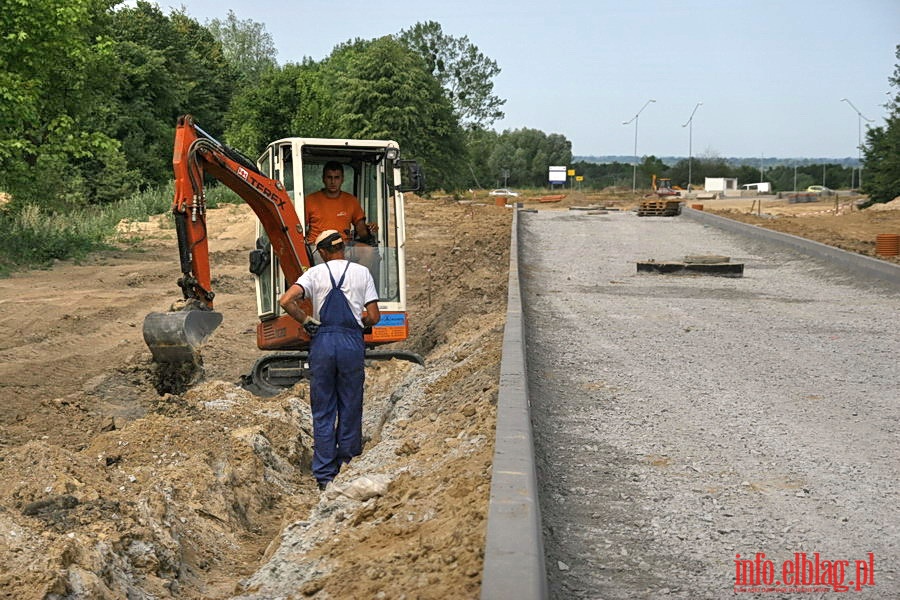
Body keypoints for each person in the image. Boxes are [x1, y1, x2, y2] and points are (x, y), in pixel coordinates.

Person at [278, 229, 381, 490]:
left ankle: (325, 476)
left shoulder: (314, 274)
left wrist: (305, 321)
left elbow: (286, 300)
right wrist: (361, 322)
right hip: (350, 344)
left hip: (323, 343)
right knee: (350, 404)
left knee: (323, 410)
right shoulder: (362, 274)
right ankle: (348, 463)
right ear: (343, 248)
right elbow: (374, 316)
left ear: (322, 252)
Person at [304, 161, 379, 274]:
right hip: (318, 247)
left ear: (342, 179)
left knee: (369, 252)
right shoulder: (310, 200)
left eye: (337, 177)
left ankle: (359, 286)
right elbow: (298, 227)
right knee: (335, 258)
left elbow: (361, 230)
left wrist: (370, 229)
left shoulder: (351, 201)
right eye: (329, 177)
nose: (333, 182)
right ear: (323, 179)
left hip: (344, 245)